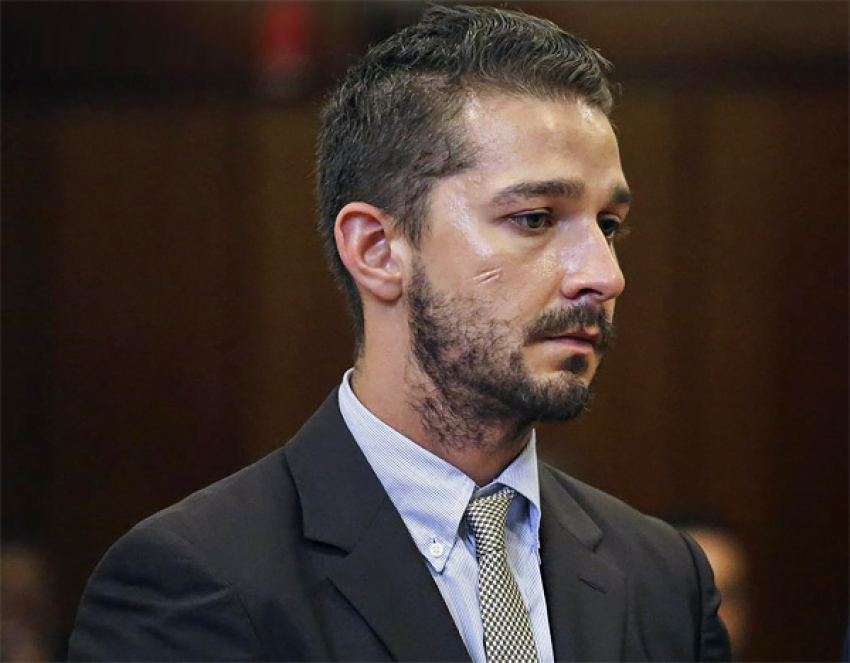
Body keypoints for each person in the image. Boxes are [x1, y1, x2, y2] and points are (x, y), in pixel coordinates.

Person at [68, 5, 731, 661]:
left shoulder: (662, 575)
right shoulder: (198, 580)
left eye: (608, 225)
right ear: (379, 250)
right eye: (535, 218)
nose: (603, 275)